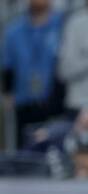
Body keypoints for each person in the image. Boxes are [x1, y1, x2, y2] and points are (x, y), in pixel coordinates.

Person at [1, 0, 65, 146]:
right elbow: (7, 65)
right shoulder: (13, 31)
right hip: (24, 100)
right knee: (25, 147)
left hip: (55, 100)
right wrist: (7, 93)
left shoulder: (62, 25)